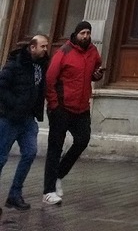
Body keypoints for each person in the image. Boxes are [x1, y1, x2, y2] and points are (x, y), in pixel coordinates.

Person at [42, 20, 104, 206]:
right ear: (76, 34)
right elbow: (50, 79)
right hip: (61, 107)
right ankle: (48, 191)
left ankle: (59, 174)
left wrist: (97, 75)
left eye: (88, 33)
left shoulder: (93, 51)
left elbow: (93, 71)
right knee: (55, 148)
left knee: (83, 140)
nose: (85, 36)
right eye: (82, 33)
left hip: (81, 108)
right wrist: (54, 105)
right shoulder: (64, 52)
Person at [0, 33, 50, 211]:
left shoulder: (42, 66)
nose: (46, 49)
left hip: (28, 120)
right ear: (32, 47)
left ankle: (14, 194)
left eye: (46, 46)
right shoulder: (15, 64)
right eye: (43, 46)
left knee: (30, 153)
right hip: (9, 119)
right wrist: (15, 105)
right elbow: (1, 87)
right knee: (1, 158)